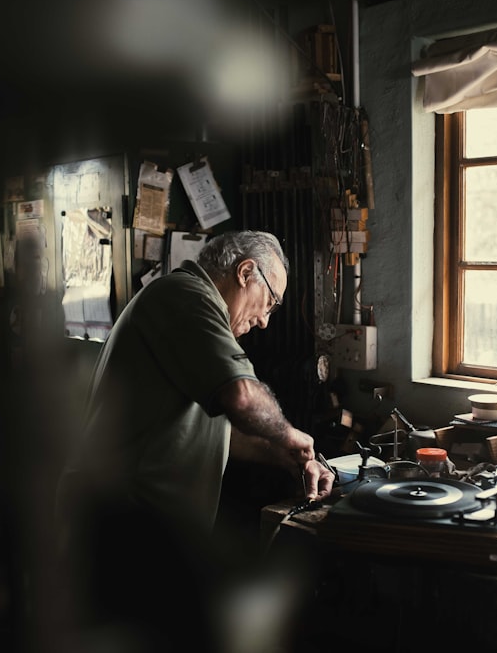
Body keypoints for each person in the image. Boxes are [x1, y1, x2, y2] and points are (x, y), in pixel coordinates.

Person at [53, 229, 335, 651]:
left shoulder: (189, 313)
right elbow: (241, 397)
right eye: (271, 302)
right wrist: (292, 435)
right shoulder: (185, 297)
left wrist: (289, 458)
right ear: (245, 273)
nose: (264, 320)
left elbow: (222, 433)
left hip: (147, 534)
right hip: (121, 531)